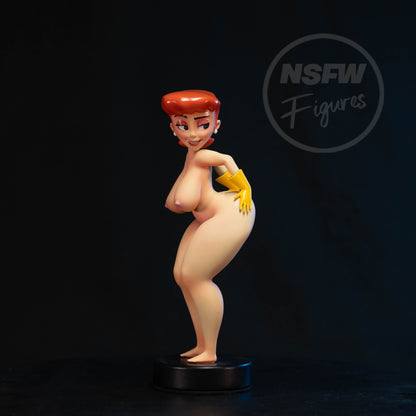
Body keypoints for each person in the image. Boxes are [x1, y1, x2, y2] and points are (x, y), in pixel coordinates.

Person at [162, 90, 255, 363]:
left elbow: (225, 160)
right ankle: (201, 344)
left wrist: (243, 188)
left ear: (216, 124)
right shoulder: (193, 158)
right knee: (181, 275)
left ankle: (210, 349)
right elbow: (176, 202)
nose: (193, 134)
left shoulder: (204, 157)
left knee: (196, 277)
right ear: (173, 127)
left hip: (231, 213)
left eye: (202, 124)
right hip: (208, 215)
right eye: (183, 125)